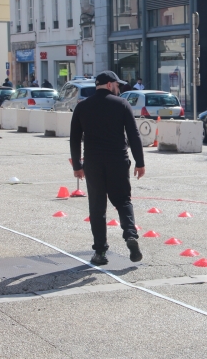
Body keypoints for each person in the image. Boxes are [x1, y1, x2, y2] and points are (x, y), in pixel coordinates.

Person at [70, 70, 145, 266]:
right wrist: (140, 162)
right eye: (118, 85)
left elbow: (75, 138)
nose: (119, 89)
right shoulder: (121, 104)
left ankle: (100, 253)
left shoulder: (82, 107)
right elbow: (134, 135)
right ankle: (130, 235)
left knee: (97, 207)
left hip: (93, 163)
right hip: (118, 161)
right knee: (123, 201)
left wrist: (77, 166)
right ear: (110, 85)